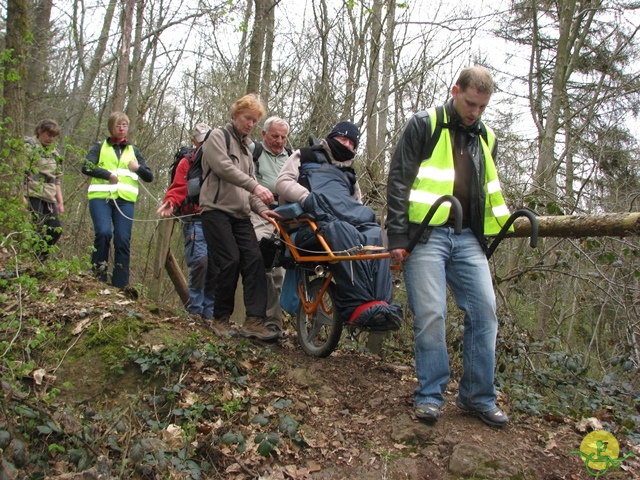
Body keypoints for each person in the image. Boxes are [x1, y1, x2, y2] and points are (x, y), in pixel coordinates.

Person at [386, 66, 512, 427]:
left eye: (482, 107)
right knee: (431, 315)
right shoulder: (424, 124)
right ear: (455, 90)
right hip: (424, 234)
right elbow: (399, 180)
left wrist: (488, 233)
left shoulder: (487, 136)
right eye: (470, 103)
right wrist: (397, 237)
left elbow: (484, 191)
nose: (474, 112)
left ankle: (476, 397)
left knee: (485, 312)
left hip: (468, 236)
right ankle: (429, 396)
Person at [276, 121, 402, 331]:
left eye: (351, 143)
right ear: (332, 137)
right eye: (343, 139)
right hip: (310, 228)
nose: (347, 145)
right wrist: (307, 198)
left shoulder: (349, 175)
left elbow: (357, 204)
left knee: (375, 234)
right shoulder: (304, 155)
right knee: (342, 231)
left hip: (343, 225)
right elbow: (282, 183)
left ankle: (380, 304)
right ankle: (357, 306)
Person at [199, 94, 281, 341]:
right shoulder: (217, 137)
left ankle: (254, 321)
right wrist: (255, 188)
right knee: (230, 260)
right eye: (247, 118)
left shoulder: (247, 148)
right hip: (215, 211)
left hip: (241, 214)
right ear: (235, 115)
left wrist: (262, 209)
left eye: (255, 121)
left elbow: (250, 186)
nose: (250, 124)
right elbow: (224, 168)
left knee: (255, 260)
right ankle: (220, 319)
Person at [82, 111, 154, 289]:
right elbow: (86, 166)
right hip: (101, 198)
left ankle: (120, 285)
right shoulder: (100, 147)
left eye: (125, 125)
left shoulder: (133, 150)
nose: (122, 129)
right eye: (118, 125)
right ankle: (97, 277)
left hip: (125, 201)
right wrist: (107, 175)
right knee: (104, 232)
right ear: (111, 127)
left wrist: (137, 168)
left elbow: (149, 176)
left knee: (122, 239)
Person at [157, 123, 215, 321]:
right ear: (194, 141)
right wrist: (171, 203)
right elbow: (178, 188)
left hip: (216, 219)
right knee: (200, 262)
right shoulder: (187, 163)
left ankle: (210, 313)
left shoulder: (218, 160)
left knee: (216, 265)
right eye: (200, 141)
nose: (204, 144)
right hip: (194, 219)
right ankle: (195, 311)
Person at [249, 116, 291, 334]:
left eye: (283, 137)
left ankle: (277, 321)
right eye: (275, 136)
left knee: (281, 268)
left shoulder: (291, 157)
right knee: (264, 257)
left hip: (285, 214)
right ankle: (267, 319)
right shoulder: (253, 152)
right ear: (264, 134)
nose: (279, 140)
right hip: (259, 211)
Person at [24, 119, 64, 261]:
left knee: (55, 229)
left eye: (54, 136)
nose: (51, 138)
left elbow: (57, 179)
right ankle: (33, 261)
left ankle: (40, 259)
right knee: (38, 230)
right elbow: (21, 173)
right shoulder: (29, 147)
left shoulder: (55, 154)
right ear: (40, 132)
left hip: (49, 196)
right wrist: (21, 195)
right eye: (48, 134)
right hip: (33, 193)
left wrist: (60, 201)